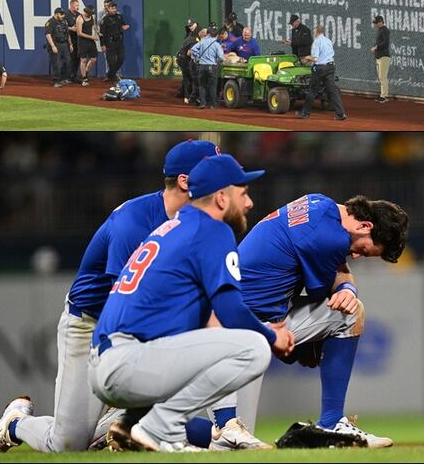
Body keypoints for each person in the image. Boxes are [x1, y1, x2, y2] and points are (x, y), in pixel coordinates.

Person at [0, 141, 225, 454]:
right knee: (66, 445)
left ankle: (123, 420)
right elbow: (126, 310)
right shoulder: (133, 224)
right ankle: (13, 423)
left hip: (142, 328)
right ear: (185, 181)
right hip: (91, 324)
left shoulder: (200, 224)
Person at [87, 154, 292, 453]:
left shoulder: (177, 227)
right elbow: (231, 311)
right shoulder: (212, 229)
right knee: (255, 348)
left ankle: (134, 423)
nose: (248, 203)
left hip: (109, 363)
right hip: (127, 362)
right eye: (243, 193)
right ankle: (160, 428)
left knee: (212, 336)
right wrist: (273, 336)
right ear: (221, 198)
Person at [205, 193, 407, 449]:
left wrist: (347, 289)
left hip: (245, 317)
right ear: (365, 226)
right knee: (349, 312)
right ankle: (331, 424)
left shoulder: (320, 204)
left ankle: (161, 433)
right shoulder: (328, 239)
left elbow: (340, 274)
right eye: (364, 251)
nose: (355, 256)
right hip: (241, 328)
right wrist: (307, 345)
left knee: (234, 438)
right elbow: (336, 280)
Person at [297, 26, 346, 120]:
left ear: (317, 32)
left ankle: (305, 113)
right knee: (333, 91)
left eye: (314, 31)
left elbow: (315, 58)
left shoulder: (316, 42)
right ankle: (341, 114)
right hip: (331, 67)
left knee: (312, 91)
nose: (313, 33)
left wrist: (307, 58)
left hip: (320, 68)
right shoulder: (328, 41)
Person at [191, 27, 226, 109]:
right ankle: (213, 104)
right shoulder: (217, 44)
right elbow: (221, 57)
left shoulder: (202, 41)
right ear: (217, 35)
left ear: (208, 34)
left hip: (202, 66)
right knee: (212, 86)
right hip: (212, 67)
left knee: (202, 85)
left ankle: (202, 103)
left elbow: (193, 50)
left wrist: (197, 58)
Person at [99, 0, 130, 83]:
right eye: (112, 8)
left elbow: (123, 25)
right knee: (111, 62)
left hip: (119, 42)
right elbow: (101, 34)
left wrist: (125, 27)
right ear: (108, 9)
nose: (114, 10)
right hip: (110, 43)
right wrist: (102, 45)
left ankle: (110, 75)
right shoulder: (104, 20)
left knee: (121, 58)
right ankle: (113, 77)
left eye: (115, 8)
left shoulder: (119, 17)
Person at [44, 8, 73, 86]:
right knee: (56, 63)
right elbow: (48, 35)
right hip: (56, 44)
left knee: (67, 61)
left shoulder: (63, 22)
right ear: (57, 14)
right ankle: (56, 81)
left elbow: (67, 33)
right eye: (61, 14)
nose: (63, 16)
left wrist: (70, 44)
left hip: (64, 44)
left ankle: (64, 78)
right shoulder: (50, 22)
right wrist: (53, 46)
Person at [177, 19, 200, 105]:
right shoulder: (191, 35)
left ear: (196, 24)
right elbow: (189, 52)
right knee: (188, 78)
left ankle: (190, 96)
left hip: (186, 58)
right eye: (189, 26)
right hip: (184, 58)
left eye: (191, 25)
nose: (190, 27)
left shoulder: (196, 33)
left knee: (191, 78)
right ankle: (188, 97)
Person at [76, 5, 99, 86]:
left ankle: (85, 72)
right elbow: (79, 33)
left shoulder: (92, 17)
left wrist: (97, 32)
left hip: (90, 41)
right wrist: (92, 37)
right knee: (83, 60)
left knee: (93, 59)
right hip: (82, 42)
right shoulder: (80, 18)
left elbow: (93, 25)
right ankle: (84, 78)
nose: (91, 14)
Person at [371, 15, 391, 102]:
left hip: (384, 56)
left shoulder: (385, 30)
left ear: (380, 22)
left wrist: (376, 47)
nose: (375, 24)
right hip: (379, 56)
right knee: (381, 77)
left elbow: (386, 43)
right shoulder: (380, 30)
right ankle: (383, 95)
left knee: (382, 77)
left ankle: (384, 96)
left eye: (376, 23)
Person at [66, 0, 82, 81]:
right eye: (76, 5)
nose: (78, 7)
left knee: (77, 58)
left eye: (78, 5)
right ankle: (67, 76)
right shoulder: (65, 15)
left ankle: (74, 76)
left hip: (77, 40)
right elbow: (62, 26)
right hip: (68, 40)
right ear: (71, 5)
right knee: (69, 59)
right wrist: (71, 28)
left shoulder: (79, 15)